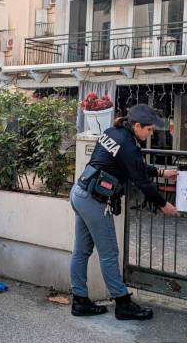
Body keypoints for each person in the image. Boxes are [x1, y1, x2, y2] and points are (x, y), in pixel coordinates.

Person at [70, 104, 178, 321]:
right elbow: (141, 180)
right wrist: (163, 204)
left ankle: (79, 300)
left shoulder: (113, 133)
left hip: (80, 193)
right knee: (109, 253)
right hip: (94, 201)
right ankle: (122, 303)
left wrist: (160, 171)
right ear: (137, 126)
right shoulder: (127, 144)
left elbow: (133, 166)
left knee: (81, 251)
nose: (151, 133)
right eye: (149, 130)